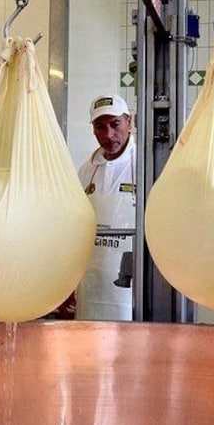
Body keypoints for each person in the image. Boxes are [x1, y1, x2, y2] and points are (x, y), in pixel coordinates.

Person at [71, 94, 136, 321]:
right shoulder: (86, 171)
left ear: (130, 122)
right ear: (93, 130)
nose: (108, 135)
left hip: (131, 288)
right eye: (100, 127)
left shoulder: (144, 164)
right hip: (91, 285)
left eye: (115, 124)